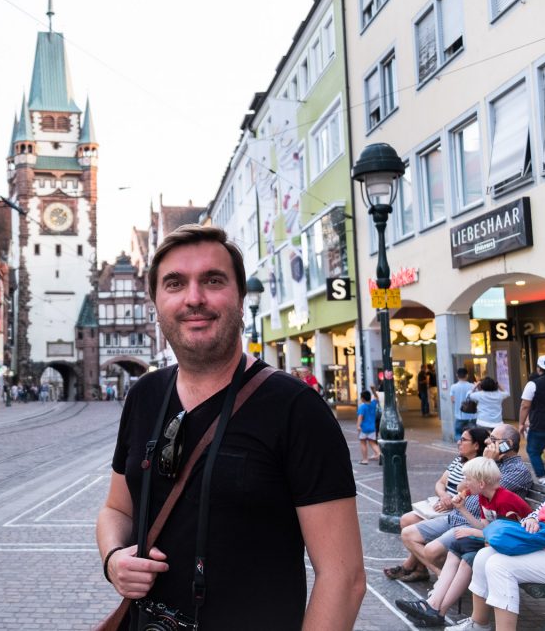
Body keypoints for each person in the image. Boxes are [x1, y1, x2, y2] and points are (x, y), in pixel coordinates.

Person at [96, 225, 364, 630]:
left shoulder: (296, 409)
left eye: (213, 280)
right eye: (174, 283)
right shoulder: (145, 395)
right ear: (155, 302)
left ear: (240, 297)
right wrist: (113, 558)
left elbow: (343, 579)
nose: (194, 298)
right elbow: (117, 508)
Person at [395, 456, 531, 627]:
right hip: (498, 542)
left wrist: (473, 532)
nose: (465, 483)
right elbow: (485, 526)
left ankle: (435, 609)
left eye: (468, 479)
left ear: (481, 483)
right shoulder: (484, 497)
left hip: (519, 547)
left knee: (469, 557)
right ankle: (433, 606)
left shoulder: (505, 500)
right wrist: (462, 509)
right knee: (457, 545)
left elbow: (508, 535)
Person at [420, 425, 532, 576]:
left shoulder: (517, 470)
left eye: (493, 439)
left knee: (432, 551)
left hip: (477, 523)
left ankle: (449, 581)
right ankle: (432, 576)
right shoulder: (494, 463)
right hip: (461, 515)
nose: (487, 441)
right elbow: (462, 486)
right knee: (410, 531)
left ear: (508, 444)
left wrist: (486, 461)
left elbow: (483, 488)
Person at [384, 427, 490, 582]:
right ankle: (421, 569)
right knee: (406, 520)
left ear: (476, 445)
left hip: (455, 511)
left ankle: (421, 569)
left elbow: (473, 497)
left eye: (464, 440)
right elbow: (440, 483)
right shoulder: (458, 460)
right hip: (443, 505)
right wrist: (444, 495)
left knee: (409, 526)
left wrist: (452, 502)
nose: (459, 443)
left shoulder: (479, 468)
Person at [447, 498, 545, 631]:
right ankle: (478, 624)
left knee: (499, 565)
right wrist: (532, 519)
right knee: (484, 555)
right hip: (541, 546)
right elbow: (540, 509)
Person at [518, 355, 545, 487]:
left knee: (533, 450)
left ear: (538, 369)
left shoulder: (533, 384)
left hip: (540, 424)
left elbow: (525, 405)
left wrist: (521, 423)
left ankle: (542, 477)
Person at [357, 390, 382, 465]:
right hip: (372, 428)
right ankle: (380, 454)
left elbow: (360, 417)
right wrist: (373, 390)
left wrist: (358, 426)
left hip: (364, 428)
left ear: (363, 398)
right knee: (372, 443)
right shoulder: (373, 404)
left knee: (363, 443)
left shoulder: (362, 407)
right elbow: (377, 398)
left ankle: (365, 459)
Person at [451, 367, 477, 440]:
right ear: (467, 375)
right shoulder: (472, 386)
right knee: (472, 436)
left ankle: (461, 447)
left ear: (457, 375)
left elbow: (452, 400)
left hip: (459, 415)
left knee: (458, 434)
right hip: (472, 416)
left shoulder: (453, 387)